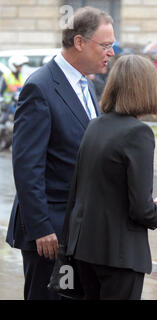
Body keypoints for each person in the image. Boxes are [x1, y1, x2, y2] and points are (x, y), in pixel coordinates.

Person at [5, 6, 115, 300]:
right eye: (105, 45)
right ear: (80, 42)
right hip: (50, 234)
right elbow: (28, 165)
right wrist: (41, 228)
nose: (111, 52)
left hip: (80, 230)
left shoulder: (86, 85)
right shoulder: (40, 87)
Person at [65, 55, 157, 300]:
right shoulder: (139, 133)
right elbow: (141, 208)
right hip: (120, 254)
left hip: (86, 249)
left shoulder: (95, 126)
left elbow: (85, 188)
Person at [0, 55, 28, 124]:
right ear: (14, 66)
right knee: (4, 117)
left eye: (21, 66)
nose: (20, 68)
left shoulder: (21, 76)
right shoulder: (7, 76)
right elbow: (1, 91)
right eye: (19, 66)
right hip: (8, 102)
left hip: (18, 101)